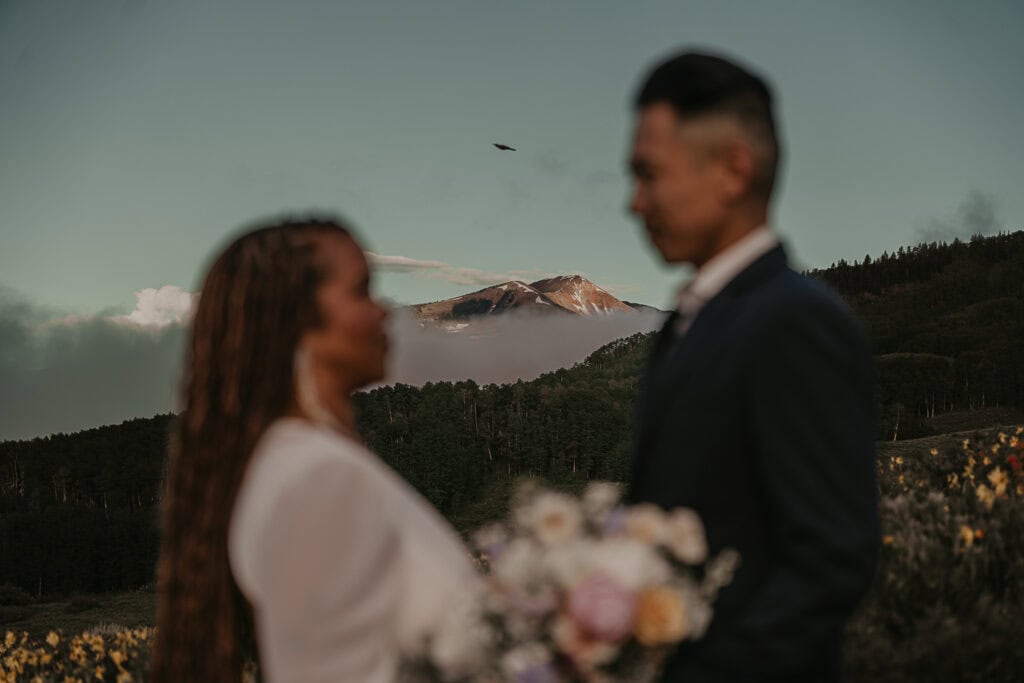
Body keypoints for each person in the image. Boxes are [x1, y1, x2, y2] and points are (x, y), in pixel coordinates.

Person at [625, 51, 880, 682]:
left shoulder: (794, 321)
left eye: (649, 174)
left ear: (733, 169)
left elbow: (831, 561)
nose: (634, 202)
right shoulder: (697, 320)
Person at [150, 218, 476, 682]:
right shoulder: (317, 478)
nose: (385, 311)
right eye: (362, 291)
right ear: (296, 316)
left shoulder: (297, 464)